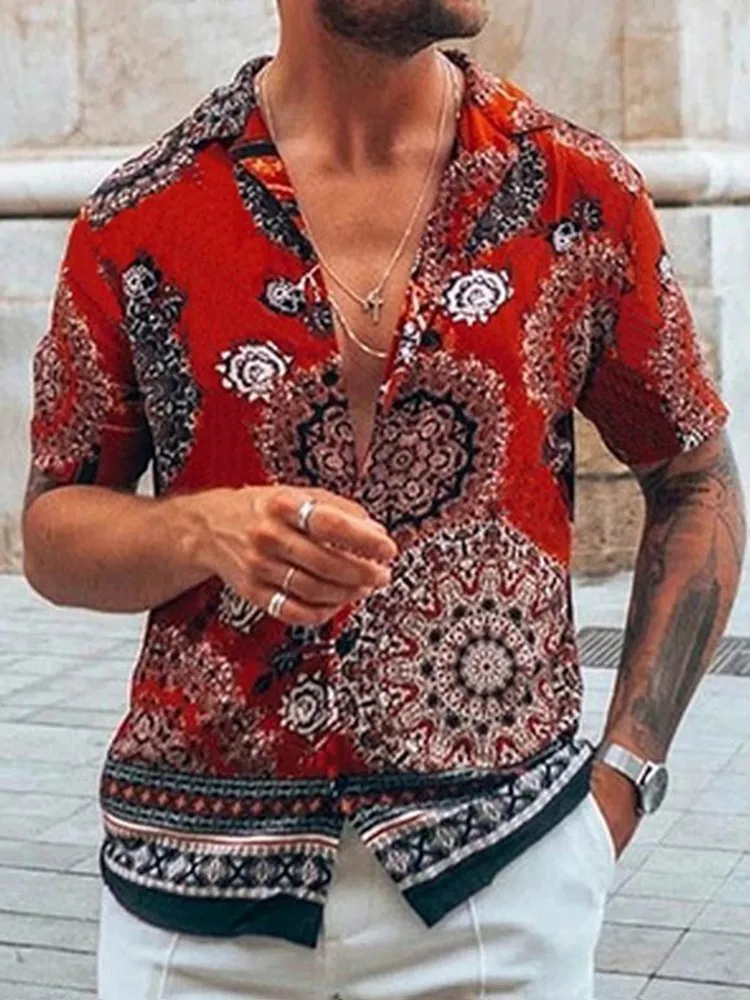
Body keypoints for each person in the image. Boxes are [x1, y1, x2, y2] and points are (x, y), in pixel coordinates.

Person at [22, 1, 745, 997]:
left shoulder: (576, 194)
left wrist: (622, 781)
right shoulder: (141, 216)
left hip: (502, 885)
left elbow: (696, 479)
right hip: (194, 909)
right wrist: (199, 528)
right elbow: (53, 529)